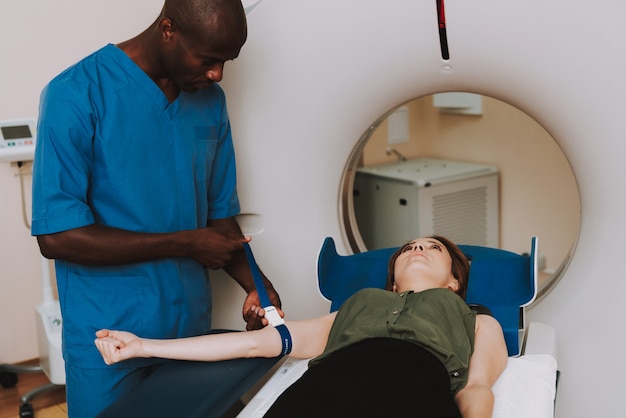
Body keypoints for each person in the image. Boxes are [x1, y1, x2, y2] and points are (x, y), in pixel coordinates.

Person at [30, 0, 282, 416]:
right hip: (107, 334)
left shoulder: (210, 102)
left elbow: (218, 217)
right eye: (208, 59)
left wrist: (255, 282)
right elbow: (57, 236)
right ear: (168, 29)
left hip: (189, 332)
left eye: (226, 61)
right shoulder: (75, 94)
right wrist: (186, 244)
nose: (217, 73)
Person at [95, 236, 509, 418]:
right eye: (409, 247)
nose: (417, 248)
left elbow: (476, 387)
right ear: (393, 279)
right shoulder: (357, 306)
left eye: (432, 248)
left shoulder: (476, 318)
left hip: (411, 386)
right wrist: (143, 346)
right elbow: (255, 345)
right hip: (326, 386)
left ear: (455, 281)